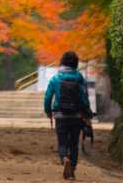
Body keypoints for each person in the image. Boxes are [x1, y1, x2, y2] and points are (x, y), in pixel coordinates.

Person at [44, 51, 93, 180]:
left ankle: (65, 158)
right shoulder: (80, 79)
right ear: (75, 64)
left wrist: (48, 111)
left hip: (60, 115)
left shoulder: (55, 78)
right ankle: (72, 171)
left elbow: (48, 96)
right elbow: (85, 99)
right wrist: (87, 118)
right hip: (76, 116)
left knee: (62, 143)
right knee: (74, 144)